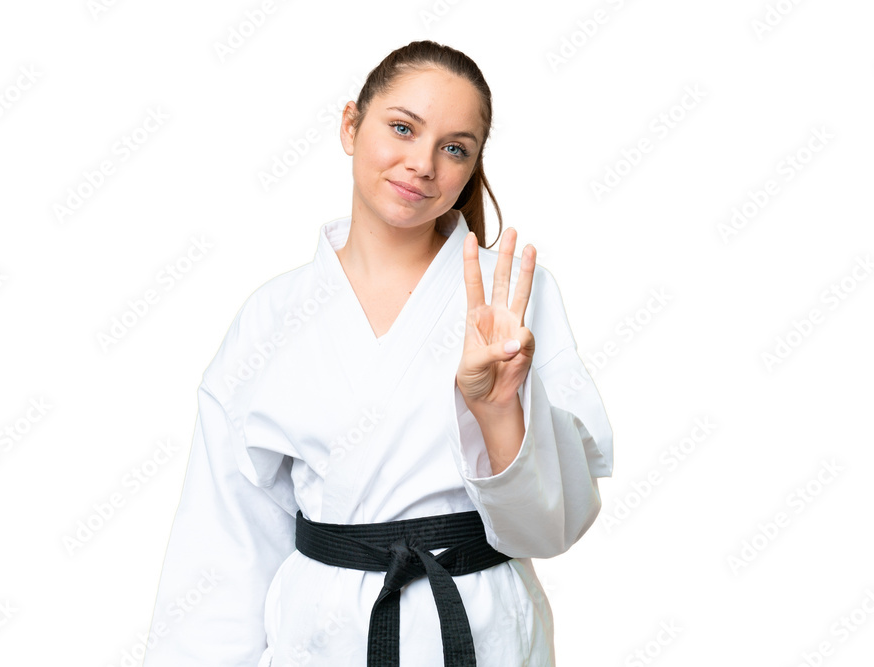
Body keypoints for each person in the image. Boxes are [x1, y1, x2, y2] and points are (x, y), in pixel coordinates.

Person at [141, 40, 613, 667]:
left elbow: (549, 530)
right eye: (402, 128)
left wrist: (498, 410)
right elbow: (225, 541)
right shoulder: (273, 316)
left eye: (454, 148)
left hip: (481, 631)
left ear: (472, 167)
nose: (422, 164)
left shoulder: (514, 302)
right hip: (324, 639)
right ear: (350, 125)